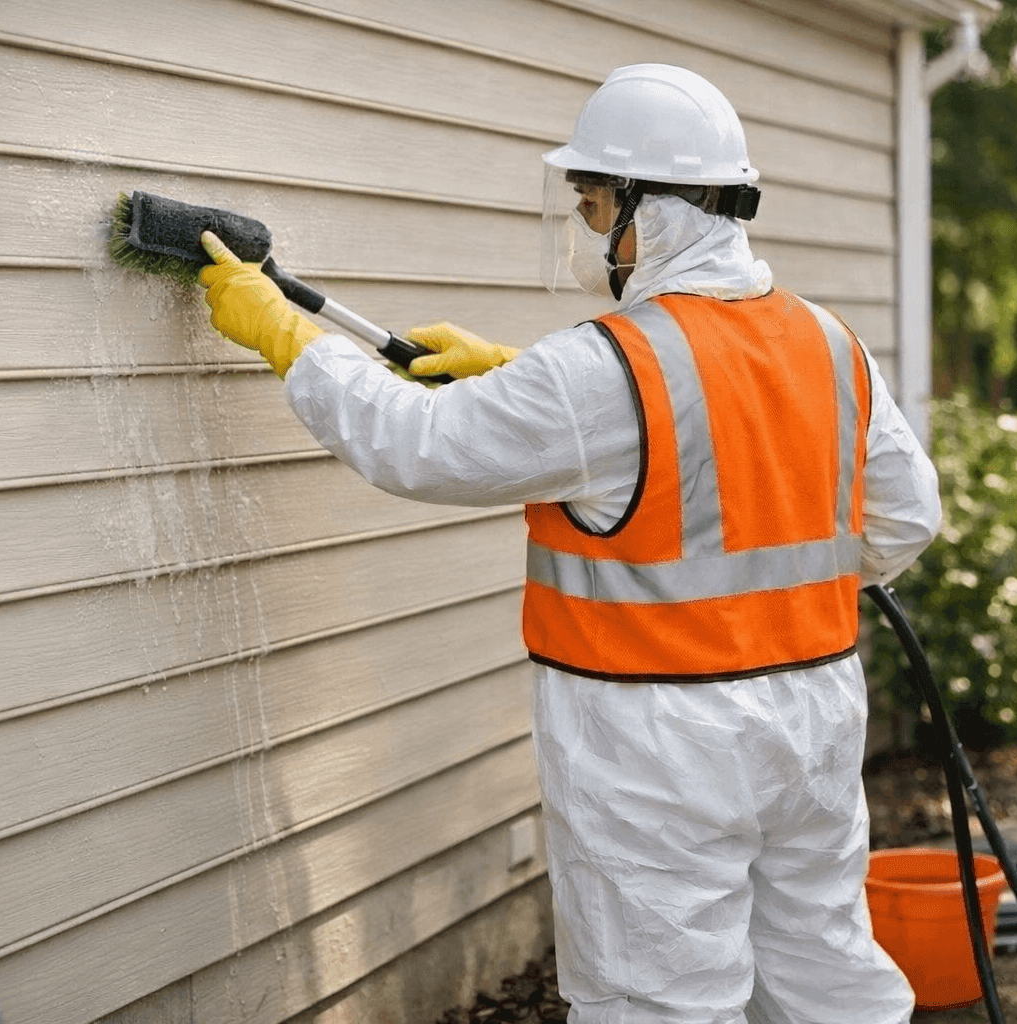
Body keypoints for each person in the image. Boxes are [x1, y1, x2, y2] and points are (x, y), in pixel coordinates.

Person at [198, 63, 940, 1024]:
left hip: (655, 737)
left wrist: (291, 340)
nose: (589, 231)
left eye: (594, 206)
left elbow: (419, 447)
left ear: (654, 211)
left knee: (659, 999)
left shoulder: (602, 368)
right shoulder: (829, 341)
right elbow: (904, 516)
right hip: (814, 713)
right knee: (822, 969)